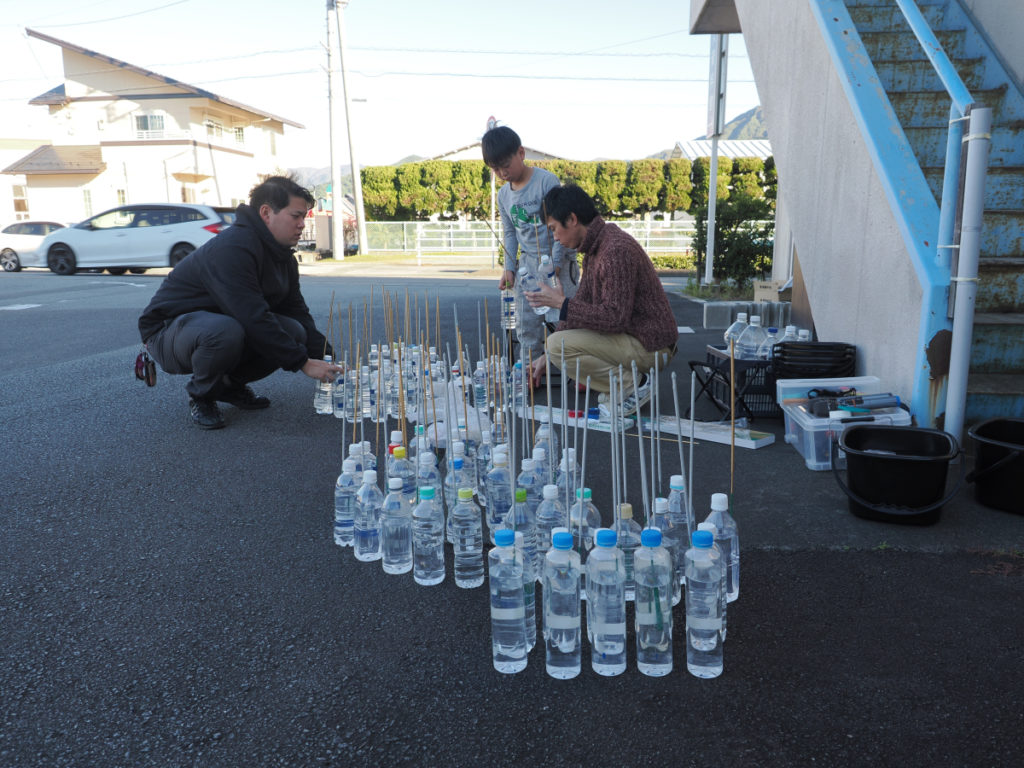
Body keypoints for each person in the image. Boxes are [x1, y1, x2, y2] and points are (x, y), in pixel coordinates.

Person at [138, 175, 343, 429]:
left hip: (218, 325)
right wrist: (303, 363)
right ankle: (201, 395)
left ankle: (227, 386)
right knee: (225, 331)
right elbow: (252, 315)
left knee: (294, 331)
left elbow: (295, 310)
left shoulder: (283, 258)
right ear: (266, 213)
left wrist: (326, 355)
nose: (302, 224)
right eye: (296, 216)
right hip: (168, 332)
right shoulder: (233, 248)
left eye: (304, 217)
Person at [524, 184, 677, 417]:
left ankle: (634, 384)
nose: (555, 237)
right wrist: (546, 358)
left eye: (554, 229)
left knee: (558, 345)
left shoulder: (615, 250)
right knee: (555, 346)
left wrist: (561, 304)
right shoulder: (597, 247)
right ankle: (626, 385)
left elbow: (615, 318)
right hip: (636, 339)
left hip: (652, 345)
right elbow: (583, 303)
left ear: (572, 219)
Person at [481, 125, 578, 372]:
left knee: (562, 320)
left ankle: (578, 372)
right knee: (526, 324)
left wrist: (555, 265)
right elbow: (510, 233)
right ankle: (530, 372)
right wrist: (509, 268)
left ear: (521, 153)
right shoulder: (503, 195)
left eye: (505, 165)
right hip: (528, 265)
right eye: (495, 169)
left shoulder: (546, 181)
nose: (502, 173)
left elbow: (561, 226)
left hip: (557, 262)